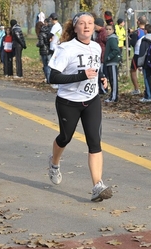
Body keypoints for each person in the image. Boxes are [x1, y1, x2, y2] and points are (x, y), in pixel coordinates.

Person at [47, 12, 112, 202]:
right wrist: (81, 76)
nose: (86, 26)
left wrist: (101, 79)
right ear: (75, 28)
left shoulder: (95, 47)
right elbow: (53, 77)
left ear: (94, 27)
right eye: (82, 23)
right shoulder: (66, 48)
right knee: (65, 137)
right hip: (68, 102)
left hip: (91, 100)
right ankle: (54, 163)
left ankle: (97, 186)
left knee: (95, 141)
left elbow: (94, 70)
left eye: (90, 23)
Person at [138, 24, 151, 102]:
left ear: (145, 31)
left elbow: (142, 53)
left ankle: (148, 96)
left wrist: (140, 64)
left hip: (147, 63)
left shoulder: (145, 40)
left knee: (147, 78)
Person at [129, 15, 147, 95]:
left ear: (138, 22)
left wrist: (130, 38)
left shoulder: (137, 32)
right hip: (146, 54)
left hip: (137, 54)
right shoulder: (148, 31)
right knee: (146, 72)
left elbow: (133, 43)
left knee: (132, 70)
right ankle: (149, 89)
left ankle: (136, 89)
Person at [104, 24, 120, 103]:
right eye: (106, 29)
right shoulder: (109, 39)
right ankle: (112, 96)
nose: (108, 31)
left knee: (113, 80)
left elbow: (116, 50)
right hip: (109, 63)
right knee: (111, 79)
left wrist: (109, 57)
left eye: (110, 29)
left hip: (112, 62)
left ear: (113, 30)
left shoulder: (112, 39)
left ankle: (114, 97)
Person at [94, 17, 108, 94]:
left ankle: (103, 89)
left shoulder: (103, 33)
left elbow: (107, 43)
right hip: (99, 57)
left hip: (102, 57)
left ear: (98, 25)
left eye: (95, 25)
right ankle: (101, 89)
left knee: (102, 73)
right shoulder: (98, 33)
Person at [36, 18, 51, 83]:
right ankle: (50, 79)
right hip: (49, 50)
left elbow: (41, 43)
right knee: (49, 65)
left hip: (43, 51)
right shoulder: (48, 31)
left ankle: (48, 79)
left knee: (45, 66)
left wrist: (37, 44)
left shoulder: (41, 34)